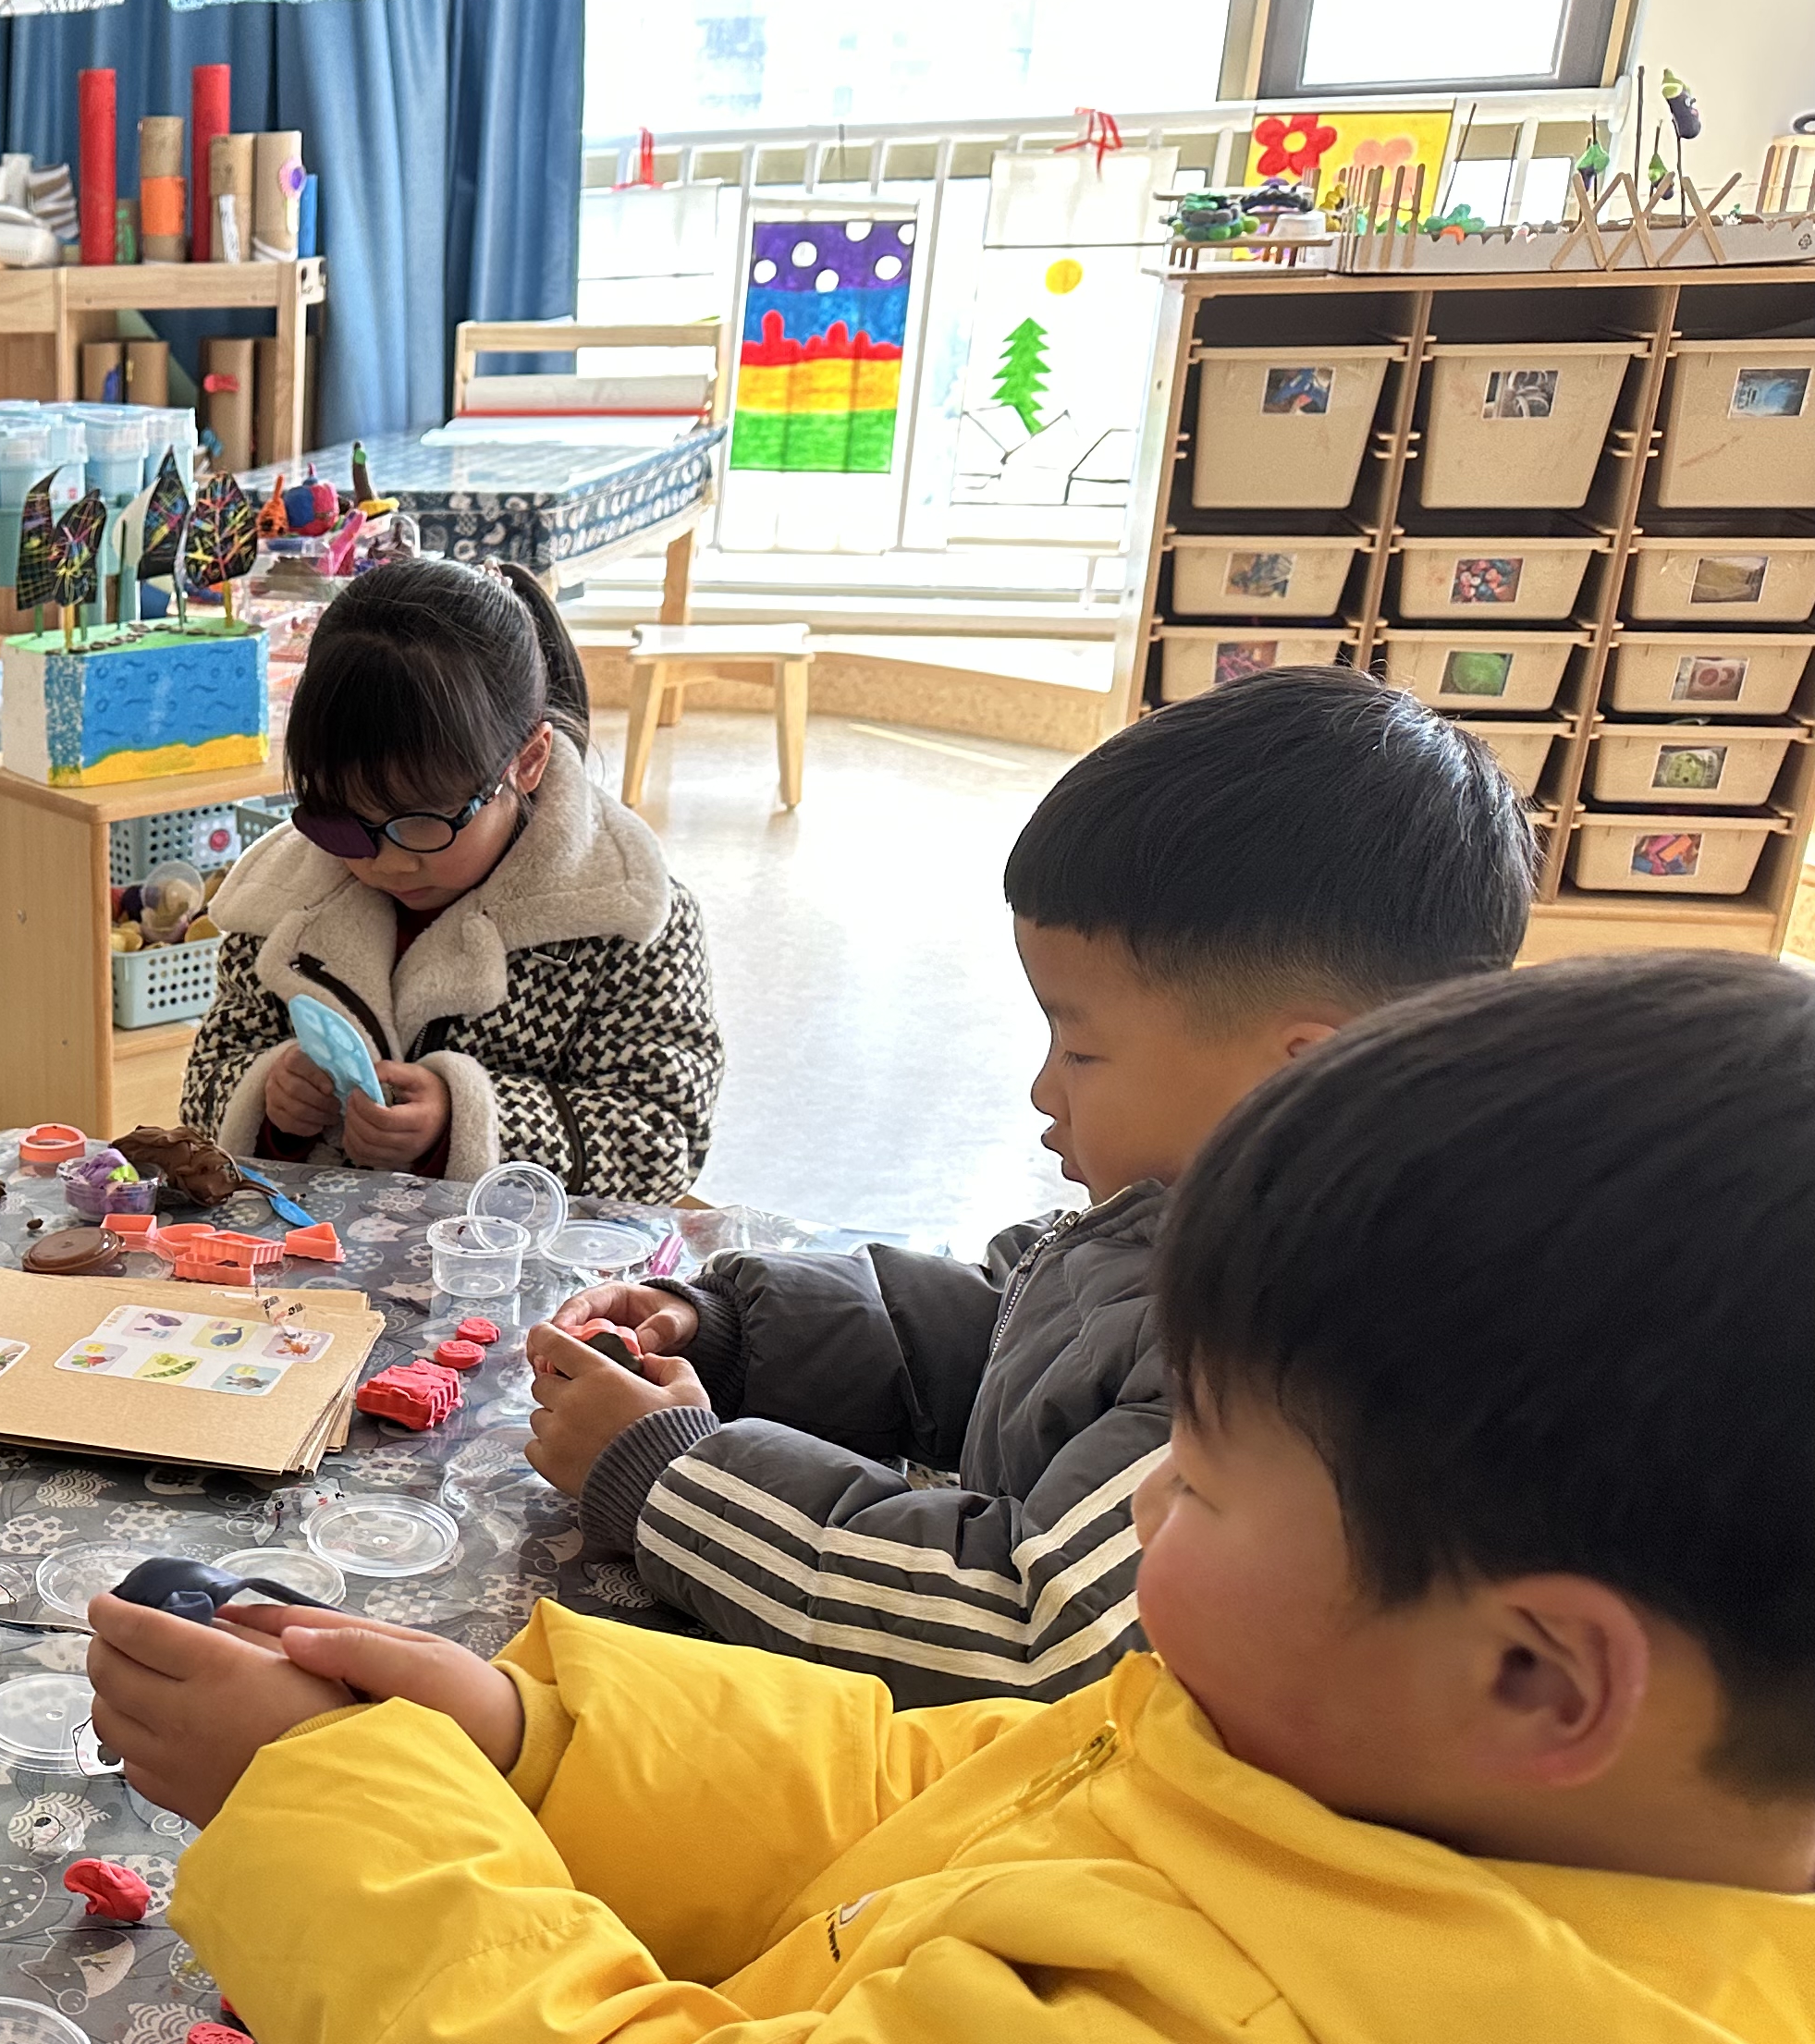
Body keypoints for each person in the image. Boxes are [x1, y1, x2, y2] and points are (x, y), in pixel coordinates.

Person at [92, 951, 1815, 2044]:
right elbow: (937, 1794)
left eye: (1201, 1477)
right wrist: (541, 1745)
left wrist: (338, 1805)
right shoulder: (1393, 1797)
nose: (1136, 1493)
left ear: (1535, 1671)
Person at [525, 666, 1532, 1702]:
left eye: (1082, 1052)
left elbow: (1022, 1634)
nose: (1043, 1088)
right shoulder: (1202, 1208)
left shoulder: (1294, 1362)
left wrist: (672, 1481)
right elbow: (1014, 1329)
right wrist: (736, 1334)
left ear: (1304, 1073)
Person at [176, 556, 719, 1197]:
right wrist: (269, 1096)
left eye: (424, 822)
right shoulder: (281, 900)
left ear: (529, 760)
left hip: (516, 1276)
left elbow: (665, 1138)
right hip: (311, 1269)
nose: (389, 860)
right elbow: (207, 1084)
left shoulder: (626, 915)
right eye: (348, 821)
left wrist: (465, 1122)